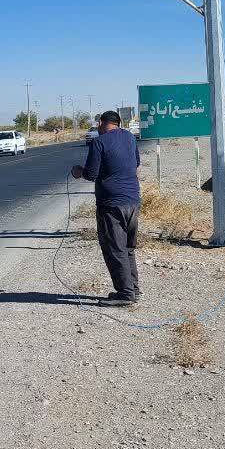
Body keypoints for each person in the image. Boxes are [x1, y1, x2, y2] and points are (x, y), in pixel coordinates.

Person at [71, 110, 142, 306]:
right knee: (128, 247)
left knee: (114, 248)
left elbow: (91, 174)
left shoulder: (98, 142)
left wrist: (78, 172)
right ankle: (133, 289)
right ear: (118, 123)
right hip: (133, 201)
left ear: (101, 123)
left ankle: (126, 294)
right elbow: (136, 163)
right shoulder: (129, 137)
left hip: (112, 204)